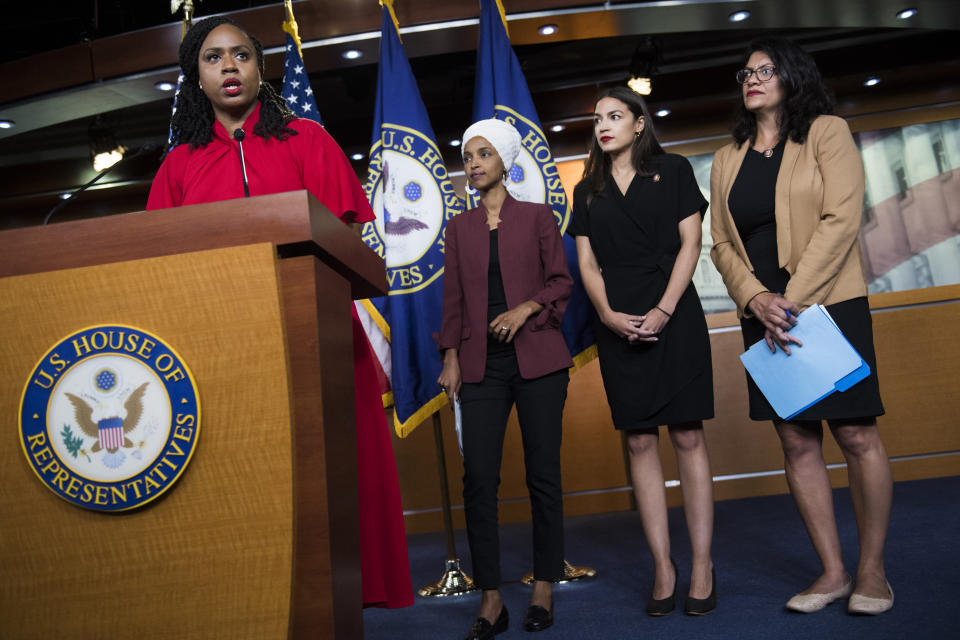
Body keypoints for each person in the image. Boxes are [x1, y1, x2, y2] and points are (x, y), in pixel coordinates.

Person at [146, 16, 413, 609]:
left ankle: (346, 595)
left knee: (334, 483)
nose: (229, 67)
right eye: (213, 58)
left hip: (316, 334)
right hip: (223, 345)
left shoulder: (307, 141)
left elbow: (353, 244)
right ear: (197, 75)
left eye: (240, 55)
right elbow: (160, 269)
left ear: (259, 68)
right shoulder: (178, 166)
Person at [710, 36, 893, 614]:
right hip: (762, 314)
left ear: (791, 75)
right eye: (746, 72)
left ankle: (872, 572)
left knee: (856, 434)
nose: (752, 78)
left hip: (828, 305)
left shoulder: (826, 133)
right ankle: (833, 571)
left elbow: (842, 220)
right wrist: (758, 300)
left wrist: (790, 300)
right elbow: (719, 244)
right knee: (796, 439)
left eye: (764, 70)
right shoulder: (724, 158)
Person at [569, 86, 716, 616]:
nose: (604, 125)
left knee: (688, 435)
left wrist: (665, 309)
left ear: (638, 124)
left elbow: (691, 244)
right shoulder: (587, 190)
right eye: (597, 119)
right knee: (638, 443)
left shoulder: (673, 169)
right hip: (617, 317)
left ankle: (701, 563)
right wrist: (607, 315)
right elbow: (586, 264)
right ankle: (663, 564)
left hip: (673, 310)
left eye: (615, 116)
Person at [437, 118, 572, 638]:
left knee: (543, 476)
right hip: (479, 365)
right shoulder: (459, 228)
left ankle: (543, 585)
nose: (472, 163)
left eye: (483, 154)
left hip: (537, 356)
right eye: (468, 155)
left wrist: (524, 310)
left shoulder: (538, 217)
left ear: (505, 162)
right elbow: (451, 300)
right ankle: (491, 598)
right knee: (479, 481)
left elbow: (561, 280)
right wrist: (450, 357)